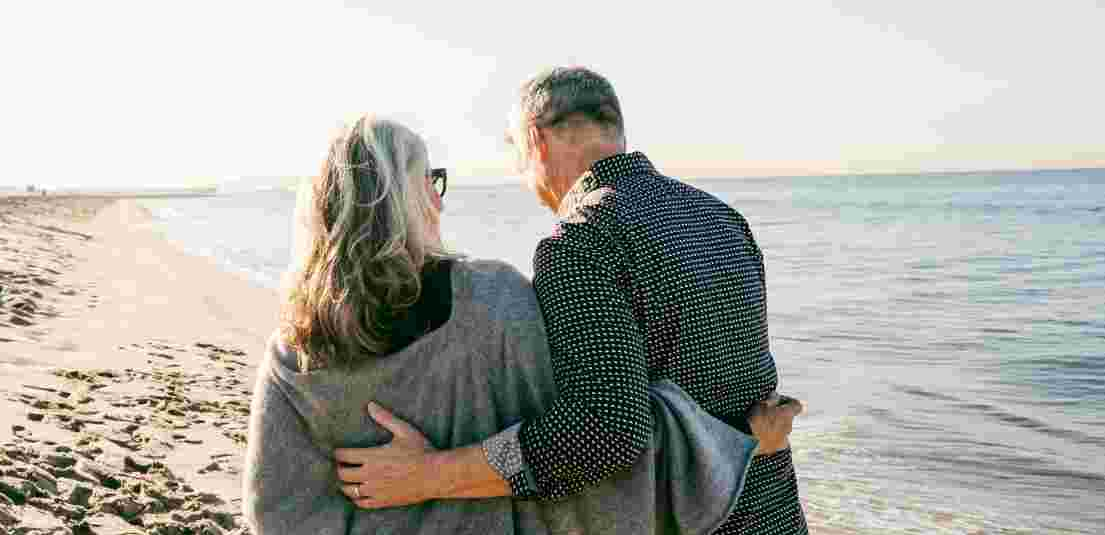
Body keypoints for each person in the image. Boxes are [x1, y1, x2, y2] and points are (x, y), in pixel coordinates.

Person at [242, 114, 802, 534]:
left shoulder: (294, 348)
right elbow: (602, 444)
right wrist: (738, 442)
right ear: (415, 198)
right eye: (430, 181)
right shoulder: (494, 301)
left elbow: (275, 510)